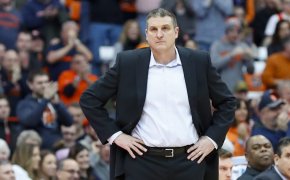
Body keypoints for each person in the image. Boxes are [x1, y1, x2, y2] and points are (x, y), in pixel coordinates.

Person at [80, 8, 236, 180]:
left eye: (165, 28)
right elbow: (90, 99)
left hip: (190, 159)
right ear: (146, 34)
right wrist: (116, 136)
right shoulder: (128, 63)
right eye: (153, 29)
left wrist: (211, 139)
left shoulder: (198, 61)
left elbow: (227, 102)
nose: (159, 34)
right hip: (141, 161)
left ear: (176, 32)